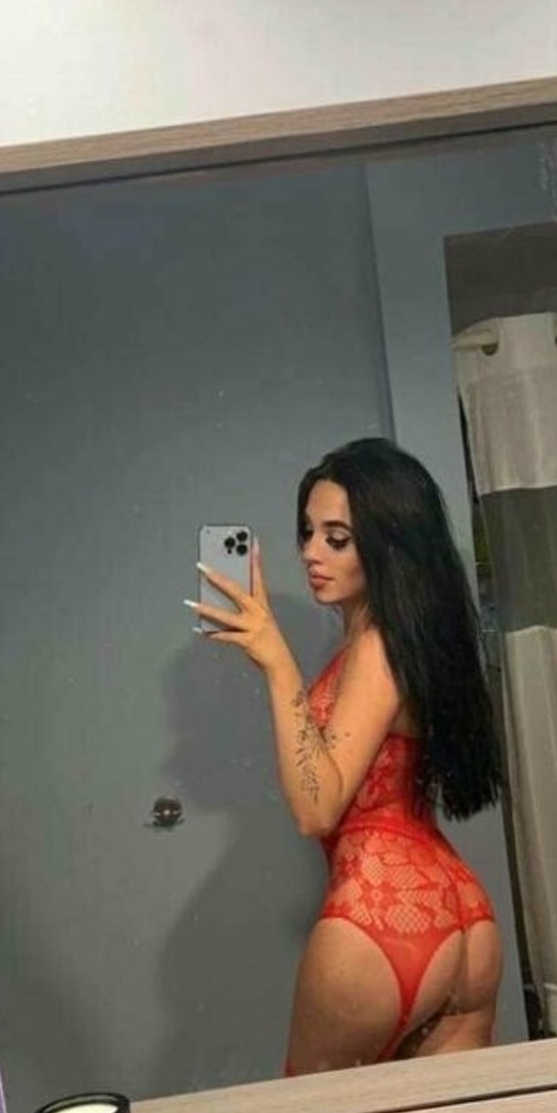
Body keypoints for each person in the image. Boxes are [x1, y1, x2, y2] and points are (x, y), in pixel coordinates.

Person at [189, 437, 504, 1074]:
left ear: (388, 545)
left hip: (377, 918)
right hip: (463, 916)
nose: (311, 552)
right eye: (308, 533)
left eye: (337, 538)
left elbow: (318, 809)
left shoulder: (376, 649)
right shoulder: (402, 642)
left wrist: (277, 663)